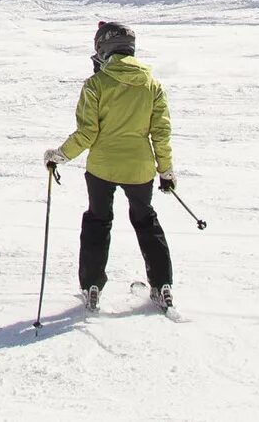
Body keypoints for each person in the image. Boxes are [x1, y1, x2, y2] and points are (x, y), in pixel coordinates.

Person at [44, 20, 175, 312]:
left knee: (98, 221)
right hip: (139, 169)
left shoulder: (96, 85)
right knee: (146, 221)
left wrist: (60, 155)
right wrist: (165, 171)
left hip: (102, 168)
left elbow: (87, 132)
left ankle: (91, 286)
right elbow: (161, 133)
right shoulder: (152, 85)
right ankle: (162, 285)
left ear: (104, 49)